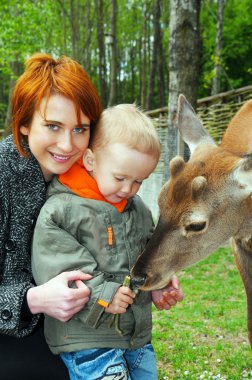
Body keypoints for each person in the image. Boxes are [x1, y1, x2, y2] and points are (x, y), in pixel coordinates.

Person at [31, 104, 183, 380]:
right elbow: (58, 266)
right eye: (120, 177)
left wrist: (159, 284)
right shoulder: (62, 211)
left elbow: (147, 257)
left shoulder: (138, 210)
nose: (129, 189)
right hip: (87, 341)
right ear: (90, 160)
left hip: (135, 339)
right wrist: (102, 295)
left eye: (139, 180)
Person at [0, 52, 103, 380]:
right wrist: (32, 299)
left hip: (74, 325)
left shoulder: (90, 176)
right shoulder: (3, 174)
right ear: (25, 123)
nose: (67, 144)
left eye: (80, 129)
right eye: (53, 126)